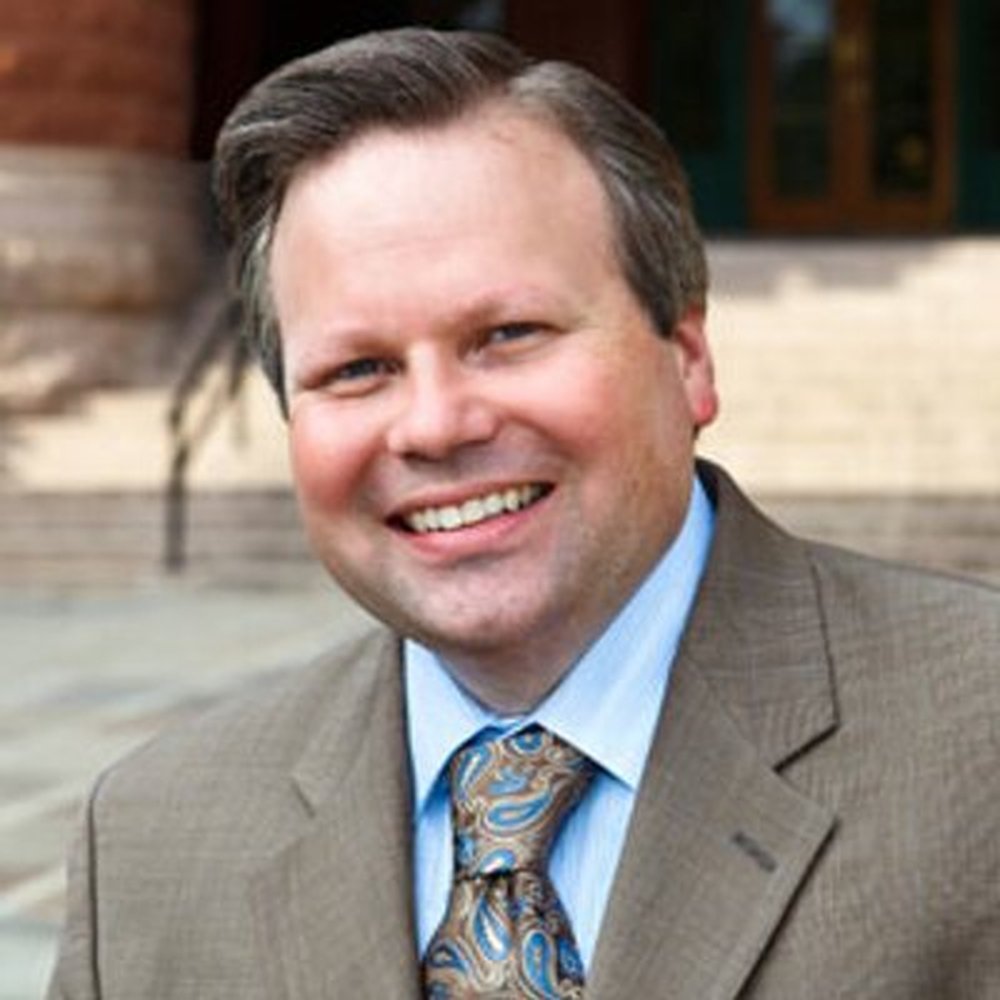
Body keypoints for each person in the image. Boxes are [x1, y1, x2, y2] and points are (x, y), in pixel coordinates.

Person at [48, 28, 999, 1000]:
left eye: (508, 334)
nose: (435, 425)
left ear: (687, 359)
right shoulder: (148, 844)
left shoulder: (979, 735)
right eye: (357, 368)